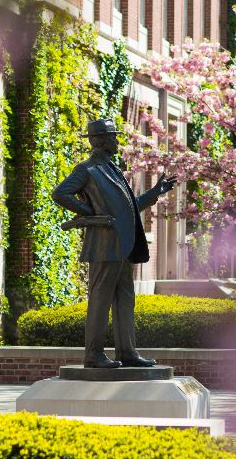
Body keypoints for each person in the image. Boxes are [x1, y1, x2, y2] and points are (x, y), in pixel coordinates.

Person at [52, 118, 177, 368]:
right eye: (112, 136)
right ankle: (94, 355)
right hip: (103, 247)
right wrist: (88, 212)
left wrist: (155, 193)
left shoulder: (113, 169)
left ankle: (127, 352)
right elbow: (60, 193)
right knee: (100, 301)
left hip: (123, 246)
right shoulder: (87, 170)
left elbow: (128, 209)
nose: (117, 140)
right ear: (99, 141)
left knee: (125, 300)